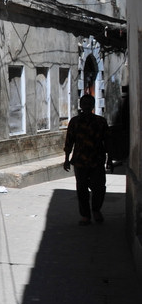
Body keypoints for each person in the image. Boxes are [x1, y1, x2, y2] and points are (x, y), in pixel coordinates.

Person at [63, 94, 110, 226]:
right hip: (80, 161)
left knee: (99, 188)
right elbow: (69, 142)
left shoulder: (101, 122)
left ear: (93, 106)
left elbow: (107, 141)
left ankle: (96, 210)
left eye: (89, 104)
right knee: (82, 189)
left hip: (97, 160)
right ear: (81, 106)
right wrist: (66, 159)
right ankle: (85, 216)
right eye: (85, 104)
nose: (87, 106)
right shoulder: (75, 122)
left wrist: (109, 159)